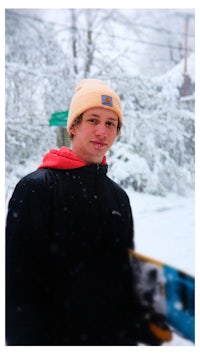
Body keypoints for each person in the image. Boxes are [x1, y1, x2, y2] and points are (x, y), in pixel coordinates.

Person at [6, 79, 172, 345]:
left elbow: (122, 275)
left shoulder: (118, 197)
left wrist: (142, 328)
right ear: (73, 126)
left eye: (111, 124)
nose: (102, 132)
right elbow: (18, 290)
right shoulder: (36, 189)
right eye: (93, 120)